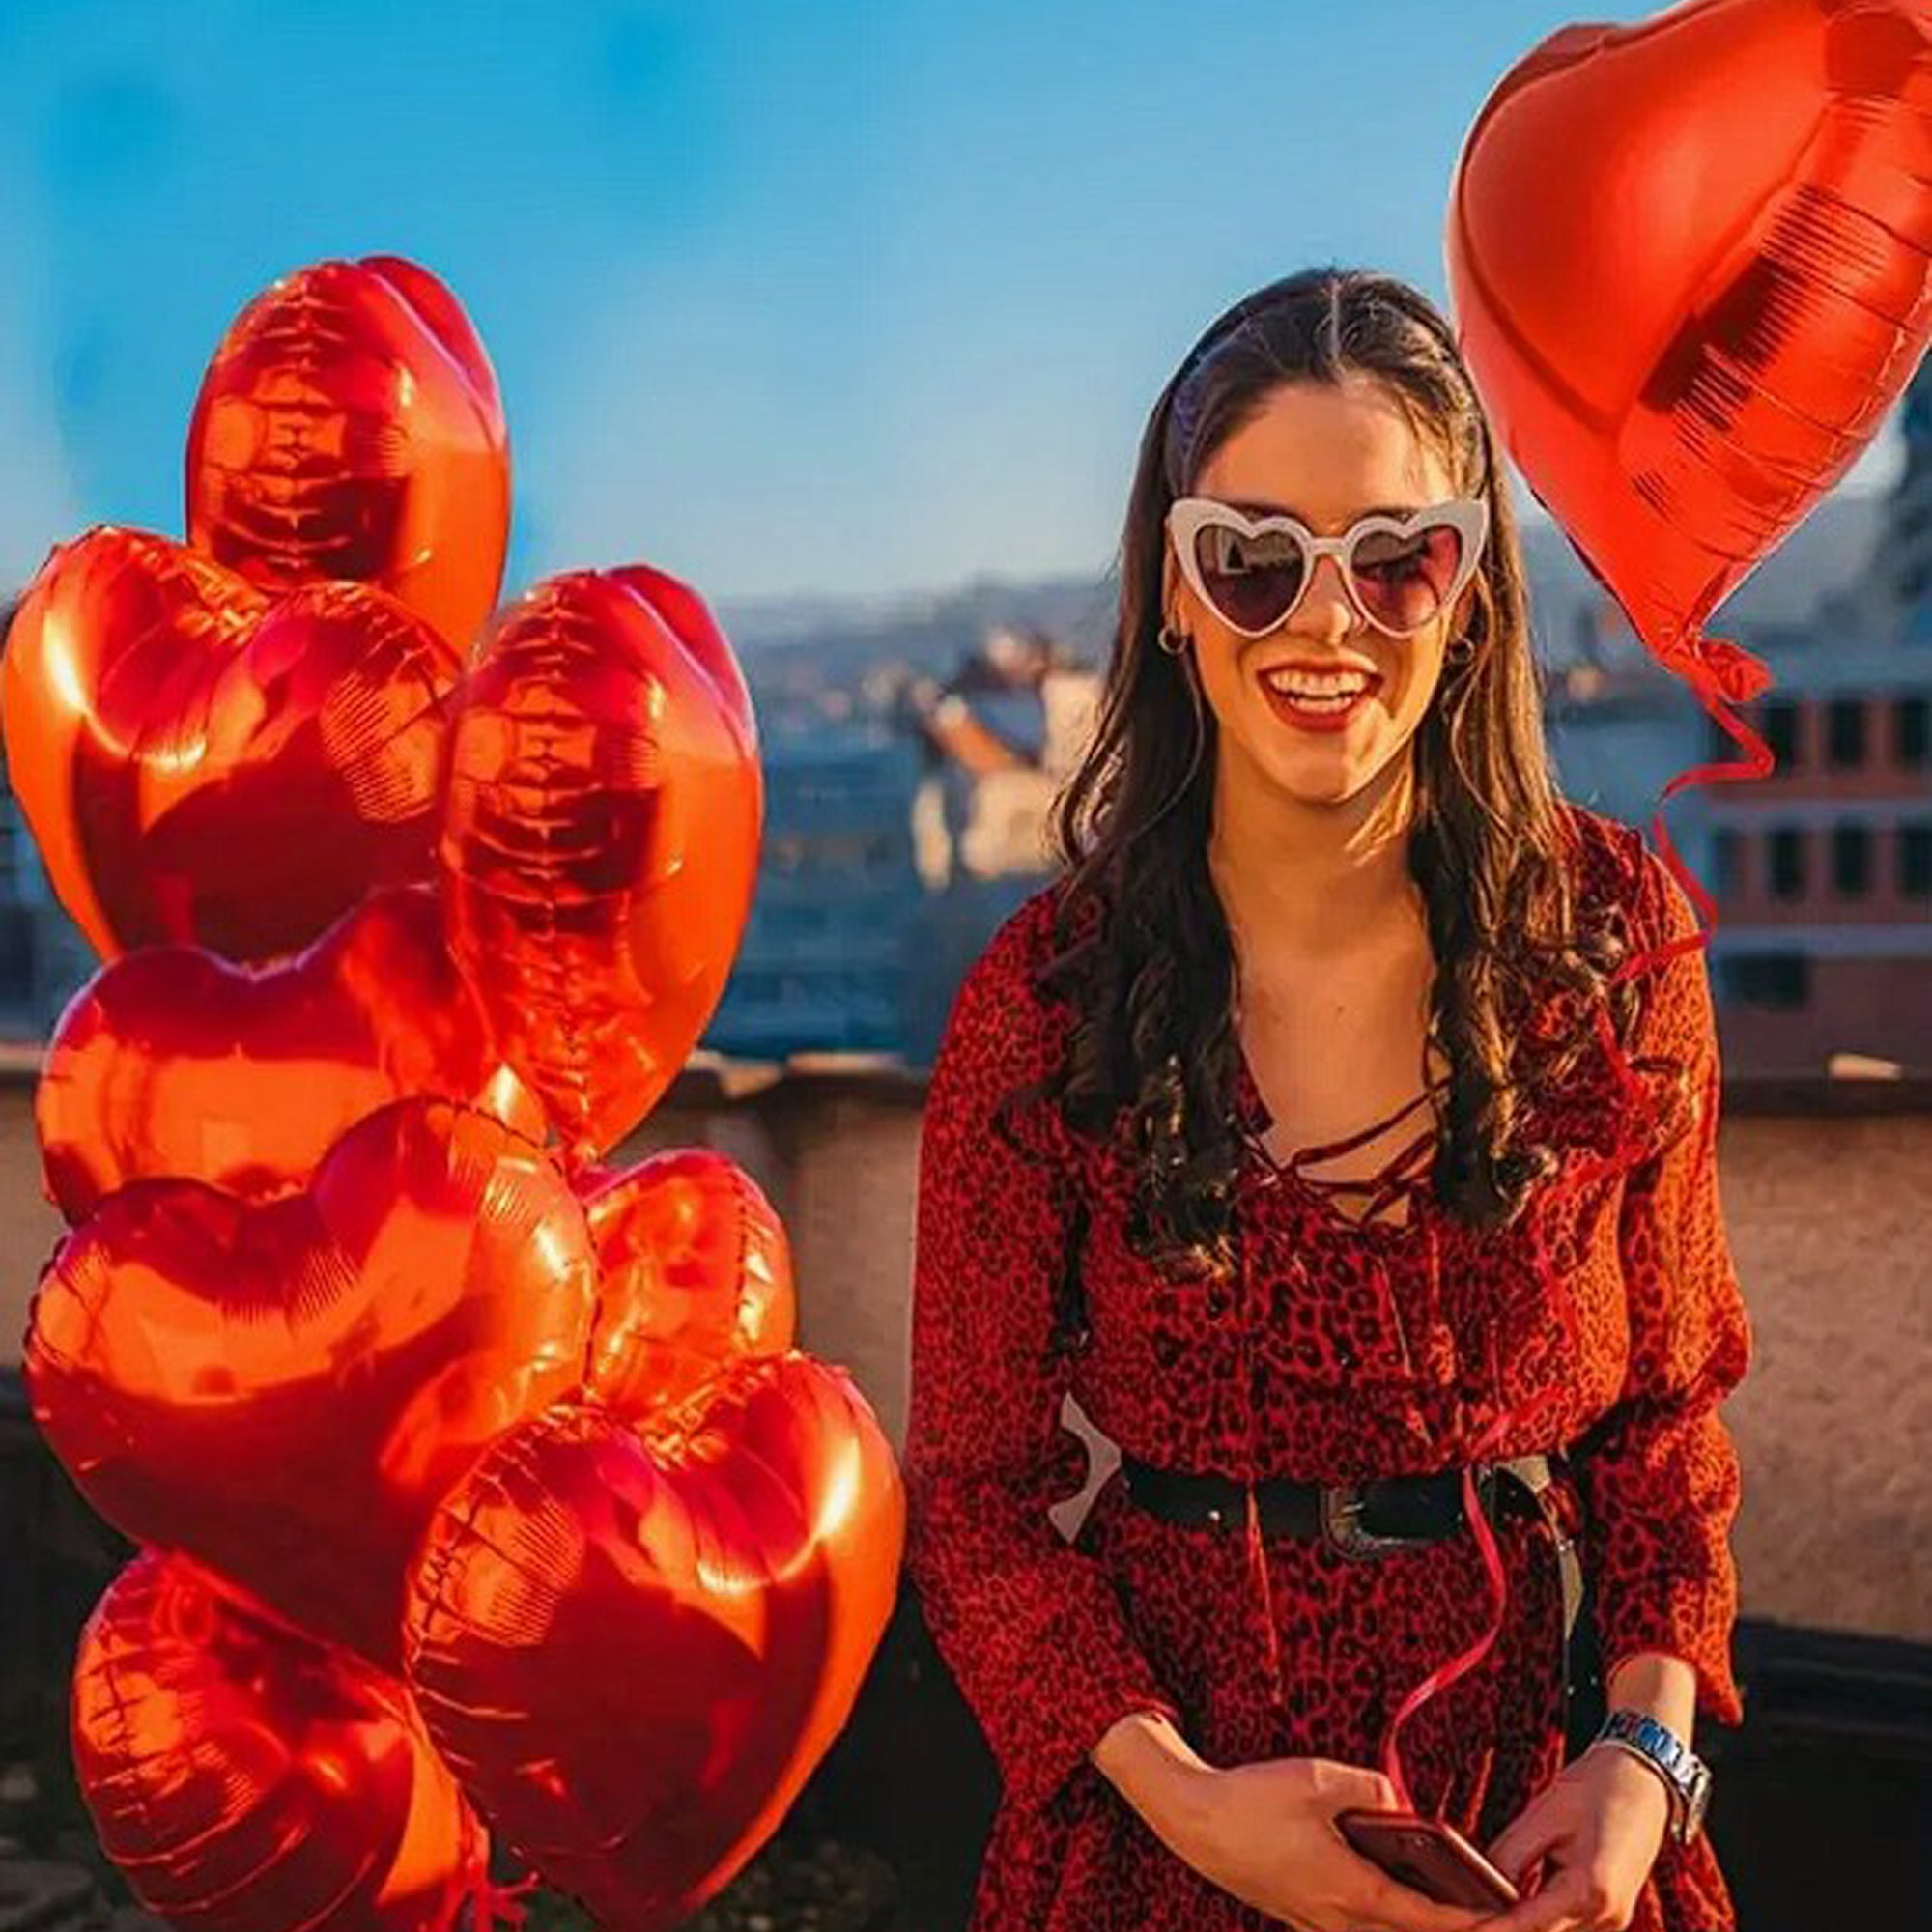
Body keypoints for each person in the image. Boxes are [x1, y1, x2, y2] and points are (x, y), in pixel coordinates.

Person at [903, 268, 1751, 1932]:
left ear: (1473, 592)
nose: (1325, 619)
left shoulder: (1618, 954)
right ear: (1171, 592)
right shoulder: (1043, 1006)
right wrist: (1194, 1810)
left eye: (1395, 556)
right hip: (1165, 1860)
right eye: (1253, 557)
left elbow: (1665, 1429)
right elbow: (979, 1507)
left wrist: (1646, 1762)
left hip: (1547, 1850)